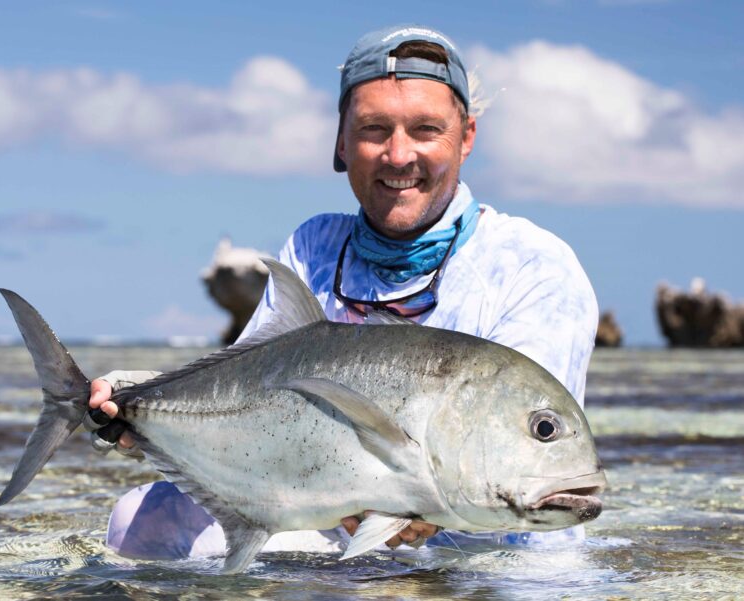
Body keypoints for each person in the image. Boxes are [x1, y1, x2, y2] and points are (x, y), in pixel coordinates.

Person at [88, 23, 598, 559]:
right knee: (141, 522)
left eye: (426, 129)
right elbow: (252, 393)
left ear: (466, 137)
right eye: (375, 129)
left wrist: (407, 500)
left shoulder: (534, 267)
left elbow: (513, 455)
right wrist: (149, 406)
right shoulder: (314, 246)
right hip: (343, 533)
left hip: (501, 558)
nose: (399, 156)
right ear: (340, 140)